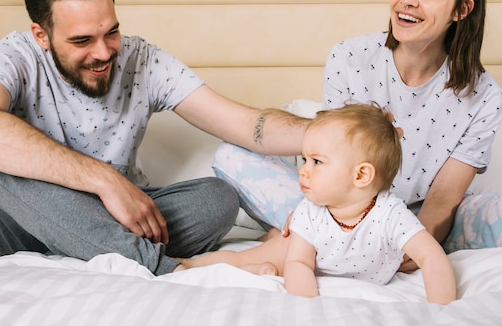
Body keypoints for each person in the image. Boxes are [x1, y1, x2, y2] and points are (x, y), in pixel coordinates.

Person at [0, 0, 309, 275]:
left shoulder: (143, 61)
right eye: (82, 41)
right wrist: (105, 180)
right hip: (18, 230)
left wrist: (330, 133)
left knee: (217, 198)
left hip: (116, 222)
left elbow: (245, 124)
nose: (103, 52)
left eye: (112, 32)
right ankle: (171, 268)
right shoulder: (14, 57)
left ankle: (98, 247)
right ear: (41, 35)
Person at [213, 0, 502, 272]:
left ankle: (288, 247)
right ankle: (308, 240)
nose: (407, 0)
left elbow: (443, 198)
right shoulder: (349, 57)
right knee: (231, 155)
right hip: (336, 204)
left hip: (406, 220)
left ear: (461, 10)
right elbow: (332, 158)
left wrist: (412, 244)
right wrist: (320, 213)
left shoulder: (484, 96)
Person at [180, 103, 457, 304]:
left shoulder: (391, 214)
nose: (303, 170)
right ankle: (185, 265)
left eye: (317, 161)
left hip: (351, 266)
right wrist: (307, 305)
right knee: (244, 258)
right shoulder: (310, 212)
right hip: (311, 259)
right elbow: (299, 263)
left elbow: (431, 258)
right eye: (304, 160)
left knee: (267, 260)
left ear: (360, 174)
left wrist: (442, 311)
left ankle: (263, 266)